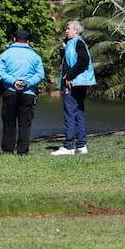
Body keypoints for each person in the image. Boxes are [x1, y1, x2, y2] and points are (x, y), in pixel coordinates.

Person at [0, 29, 45, 155]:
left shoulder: (5, 54)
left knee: (9, 121)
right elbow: (40, 74)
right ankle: (23, 150)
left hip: (10, 91)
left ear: (14, 39)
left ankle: (8, 149)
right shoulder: (35, 56)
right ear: (28, 41)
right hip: (28, 93)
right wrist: (27, 83)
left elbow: (0, 73)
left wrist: (13, 82)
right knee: (25, 123)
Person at [51, 20, 96, 155]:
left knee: (70, 114)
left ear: (76, 30)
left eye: (68, 28)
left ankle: (69, 146)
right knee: (78, 113)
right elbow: (66, 61)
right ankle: (81, 145)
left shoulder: (79, 43)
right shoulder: (72, 43)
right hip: (76, 82)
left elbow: (83, 62)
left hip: (75, 83)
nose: (66, 31)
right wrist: (63, 47)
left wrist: (69, 76)